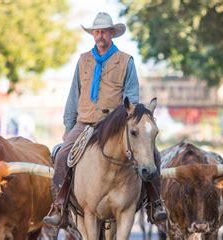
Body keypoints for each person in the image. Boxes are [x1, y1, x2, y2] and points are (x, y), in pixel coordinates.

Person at [43, 12, 167, 226]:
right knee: (63, 154)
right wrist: (68, 125)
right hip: (85, 123)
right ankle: (59, 206)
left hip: (115, 125)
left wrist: (125, 121)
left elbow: (132, 98)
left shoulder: (126, 61)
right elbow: (74, 93)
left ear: (112, 34)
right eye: (97, 31)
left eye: (104, 31)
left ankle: (155, 203)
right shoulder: (83, 60)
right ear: (93, 34)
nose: (100, 35)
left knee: (152, 156)